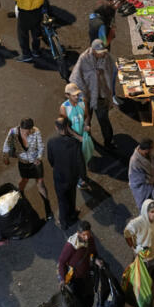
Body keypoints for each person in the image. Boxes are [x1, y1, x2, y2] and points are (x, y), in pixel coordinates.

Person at [69, 39, 118, 150]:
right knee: (86, 119)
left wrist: (102, 74)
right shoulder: (84, 58)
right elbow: (75, 78)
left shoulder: (107, 58)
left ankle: (108, 141)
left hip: (101, 95)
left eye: (104, 51)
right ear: (94, 51)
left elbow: (112, 71)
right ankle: (86, 139)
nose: (103, 54)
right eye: (100, 52)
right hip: (86, 96)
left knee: (104, 120)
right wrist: (83, 92)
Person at [50, 90, 88, 231]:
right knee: (72, 195)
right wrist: (82, 176)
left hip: (59, 176)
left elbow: (51, 160)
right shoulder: (74, 143)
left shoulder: (52, 142)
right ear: (67, 126)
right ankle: (72, 213)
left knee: (62, 200)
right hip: (72, 176)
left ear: (56, 128)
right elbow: (79, 161)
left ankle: (64, 222)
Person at [2, 118, 53, 221]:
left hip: (35, 163)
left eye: (30, 130)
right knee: (24, 180)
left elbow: (41, 146)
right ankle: (20, 195)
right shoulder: (13, 132)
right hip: (23, 163)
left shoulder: (36, 131)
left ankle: (48, 208)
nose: (29, 133)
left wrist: (39, 158)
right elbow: (6, 146)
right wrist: (5, 158)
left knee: (40, 183)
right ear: (21, 128)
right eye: (26, 131)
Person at [123, 198, 154, 307]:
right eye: (152, 212)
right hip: (141, 257)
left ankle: (149, 292)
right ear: (146, 211)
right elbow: (127, 234)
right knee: (139, 279)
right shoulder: (136, 223)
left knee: (152, 277)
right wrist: (133, 248)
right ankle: (140, 298)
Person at [58, 221, 101, 307]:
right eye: (84, 235)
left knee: (89, 294)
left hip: (87, 274)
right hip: (75, 278)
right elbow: (61, 262)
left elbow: (93, 251)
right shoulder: (70, 246)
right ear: (78, 233)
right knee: (78, 299)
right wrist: (62, 278)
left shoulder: (90, 239)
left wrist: (95, 259)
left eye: (88, 234)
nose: (86, 237)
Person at [129, 138, 154, 210]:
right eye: (151, 148)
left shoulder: (148, 154)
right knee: (145, 207)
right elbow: (138, 178)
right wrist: (151, 181)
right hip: (142, 188)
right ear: (146, 149)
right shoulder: (135, 161)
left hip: (151, 183)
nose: (152, 150)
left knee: (152, 206)